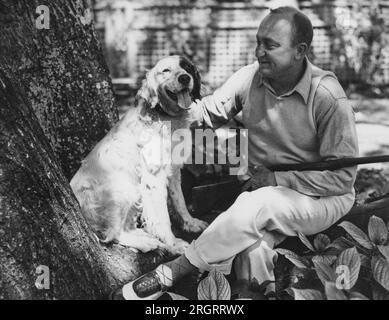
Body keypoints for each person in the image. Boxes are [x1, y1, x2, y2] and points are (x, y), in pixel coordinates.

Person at [110, 6, 358, 300]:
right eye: (258, 42)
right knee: (253, 246)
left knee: (260, 201)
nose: (259, 52)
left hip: (323, 198)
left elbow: (342, 178)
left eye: (270, 45)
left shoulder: (327, 95)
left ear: (299, 50)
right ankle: (255, 294)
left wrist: (278, 180)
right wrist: (159, 105)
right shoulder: (250, 78)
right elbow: (205, 112)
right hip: (266, 195)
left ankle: (174, 271)